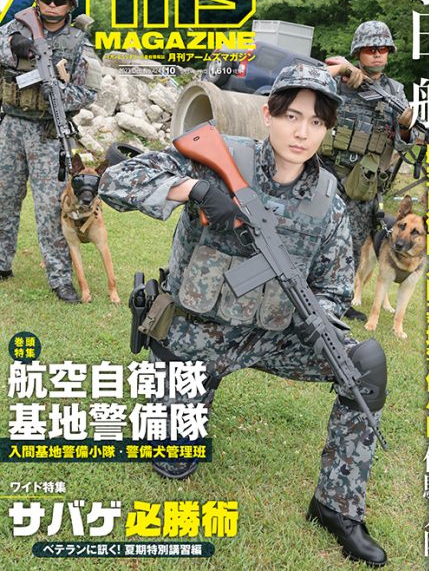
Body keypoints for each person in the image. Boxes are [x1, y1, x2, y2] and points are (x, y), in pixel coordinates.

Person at [100, 64, 388, 567]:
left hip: (273, 334)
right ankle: (189, 397)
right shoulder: (221, 157)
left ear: (327, 130)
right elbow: (115, 179)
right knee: (172, 458)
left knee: (362, 365)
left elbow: (336, 286)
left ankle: (337, 506)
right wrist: (194, 190)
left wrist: (319, 319)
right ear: (268, 114)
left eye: (316, 122)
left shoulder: (328, 201)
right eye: (292, 116)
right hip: (193, 336)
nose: (302, 133)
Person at [0, 0, 101, 302]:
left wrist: (58, 92)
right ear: (37, 0)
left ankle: (60, 277)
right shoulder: (15, 28)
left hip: (48, 133)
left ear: (71, 4)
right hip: (10, 127)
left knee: (50, 209)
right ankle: (1, 262)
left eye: (60, 0)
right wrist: (16, 46)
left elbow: (89, 92)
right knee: (4, 199)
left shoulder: (79, 43)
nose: (53, 5)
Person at [324, 21, 416, 321]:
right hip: (329, 172)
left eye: (383, 49)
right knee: (317, 234)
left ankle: (339, 301)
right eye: (370, 49)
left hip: (365, 183)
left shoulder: (395, 92)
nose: (377, 54)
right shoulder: (340, 80)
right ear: (358, 52)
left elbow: (404, 144)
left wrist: (405, 126)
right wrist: (341, 70)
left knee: (353, 244)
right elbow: (304, 80)